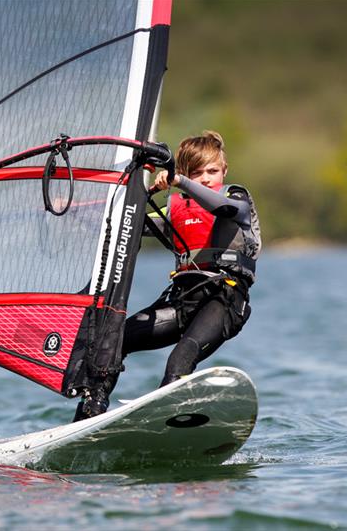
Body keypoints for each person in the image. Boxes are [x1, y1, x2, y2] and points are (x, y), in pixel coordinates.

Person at [74, 130, 261, 421]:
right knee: (114, 340)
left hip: (223, 300)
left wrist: (178, 180)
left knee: (182, 355)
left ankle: (166, 420)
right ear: (187, 172)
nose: (206, 178)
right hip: (182, 301)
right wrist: (72, 207)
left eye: (213, 171)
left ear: (224, 170)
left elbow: (223, 208)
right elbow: (123, 221)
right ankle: (89, 414)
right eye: (197, 173)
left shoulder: (235, 200)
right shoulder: (175, 211)